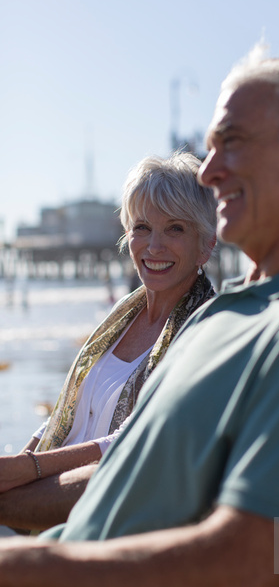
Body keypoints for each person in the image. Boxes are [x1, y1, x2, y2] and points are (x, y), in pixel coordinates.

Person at [0, 52, 279, 587]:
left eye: (233, 142)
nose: (211, 170)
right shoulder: (231, 318)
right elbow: (124, 469)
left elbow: (237, 578)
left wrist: (18, 565)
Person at [0, 151, 216, 524]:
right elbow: (73, 412)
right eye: (143, 227)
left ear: (207, 244)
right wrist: (20, 461)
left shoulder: (205, 330)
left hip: (100, 515)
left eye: (175, 228)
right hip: (50, 490)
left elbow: (138, 441)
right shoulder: (120, 318)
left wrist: (31, 468)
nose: (154, 246)